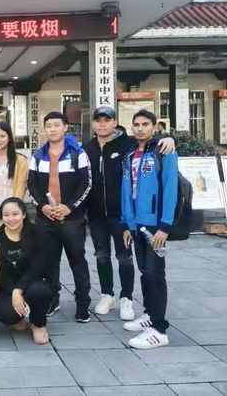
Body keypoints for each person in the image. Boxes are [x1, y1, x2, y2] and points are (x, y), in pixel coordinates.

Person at [83, 106, 175, 321]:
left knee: (125, 257)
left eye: (107, 120)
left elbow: (153, 143)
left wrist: (169, 138)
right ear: (93, 123)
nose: (102, 124)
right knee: (101, 256)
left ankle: (127, 297)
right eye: (98, 120)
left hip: (124, 214)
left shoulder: (127, 145)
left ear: (115, 122)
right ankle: (107, 294)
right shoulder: (86, 148)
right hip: (97, 213)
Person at [27, 111, 92, 323]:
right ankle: (52, 300)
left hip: (72, 219)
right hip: (45, 219)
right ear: (44, 129)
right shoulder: (38, 156)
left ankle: (83, 304)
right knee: (49, 263)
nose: (52, 129)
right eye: (49, 126)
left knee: (77, 262)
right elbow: (31, 185)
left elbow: (86, 183)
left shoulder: (77, 154)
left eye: (57, 125)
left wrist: (69, 207)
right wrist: (42, 206)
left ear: (65, 128)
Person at [121, 109, 178, 349]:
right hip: (136, 224)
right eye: (136, 124)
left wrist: (165, 226)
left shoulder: (164, 150)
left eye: (145, 124)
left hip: (156, 225)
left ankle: (159, 329)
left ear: (155, 127)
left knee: (155, 274)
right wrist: (127, 224)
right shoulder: (129, 152)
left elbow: (171, 188)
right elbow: (126, 190)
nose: (140, 128)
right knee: (145, 272)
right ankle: (149, 314)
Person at [0, 198, 52, 344]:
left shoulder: (37, 233)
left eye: (15, 214)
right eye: (6, 215)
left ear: (24, 214)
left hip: (32, 282)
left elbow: (40, 265)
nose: (11, 219)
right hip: (7, 286)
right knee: (6, 314)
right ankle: (18, 317)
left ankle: (38, 324)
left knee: (41, 291)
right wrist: (13, 291)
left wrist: (18, 289)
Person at [0, 122, 28, 224]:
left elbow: (21, 187)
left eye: (2, 136)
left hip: (12, 208)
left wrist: (13, 210)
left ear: (9, 138)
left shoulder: (20, 160)